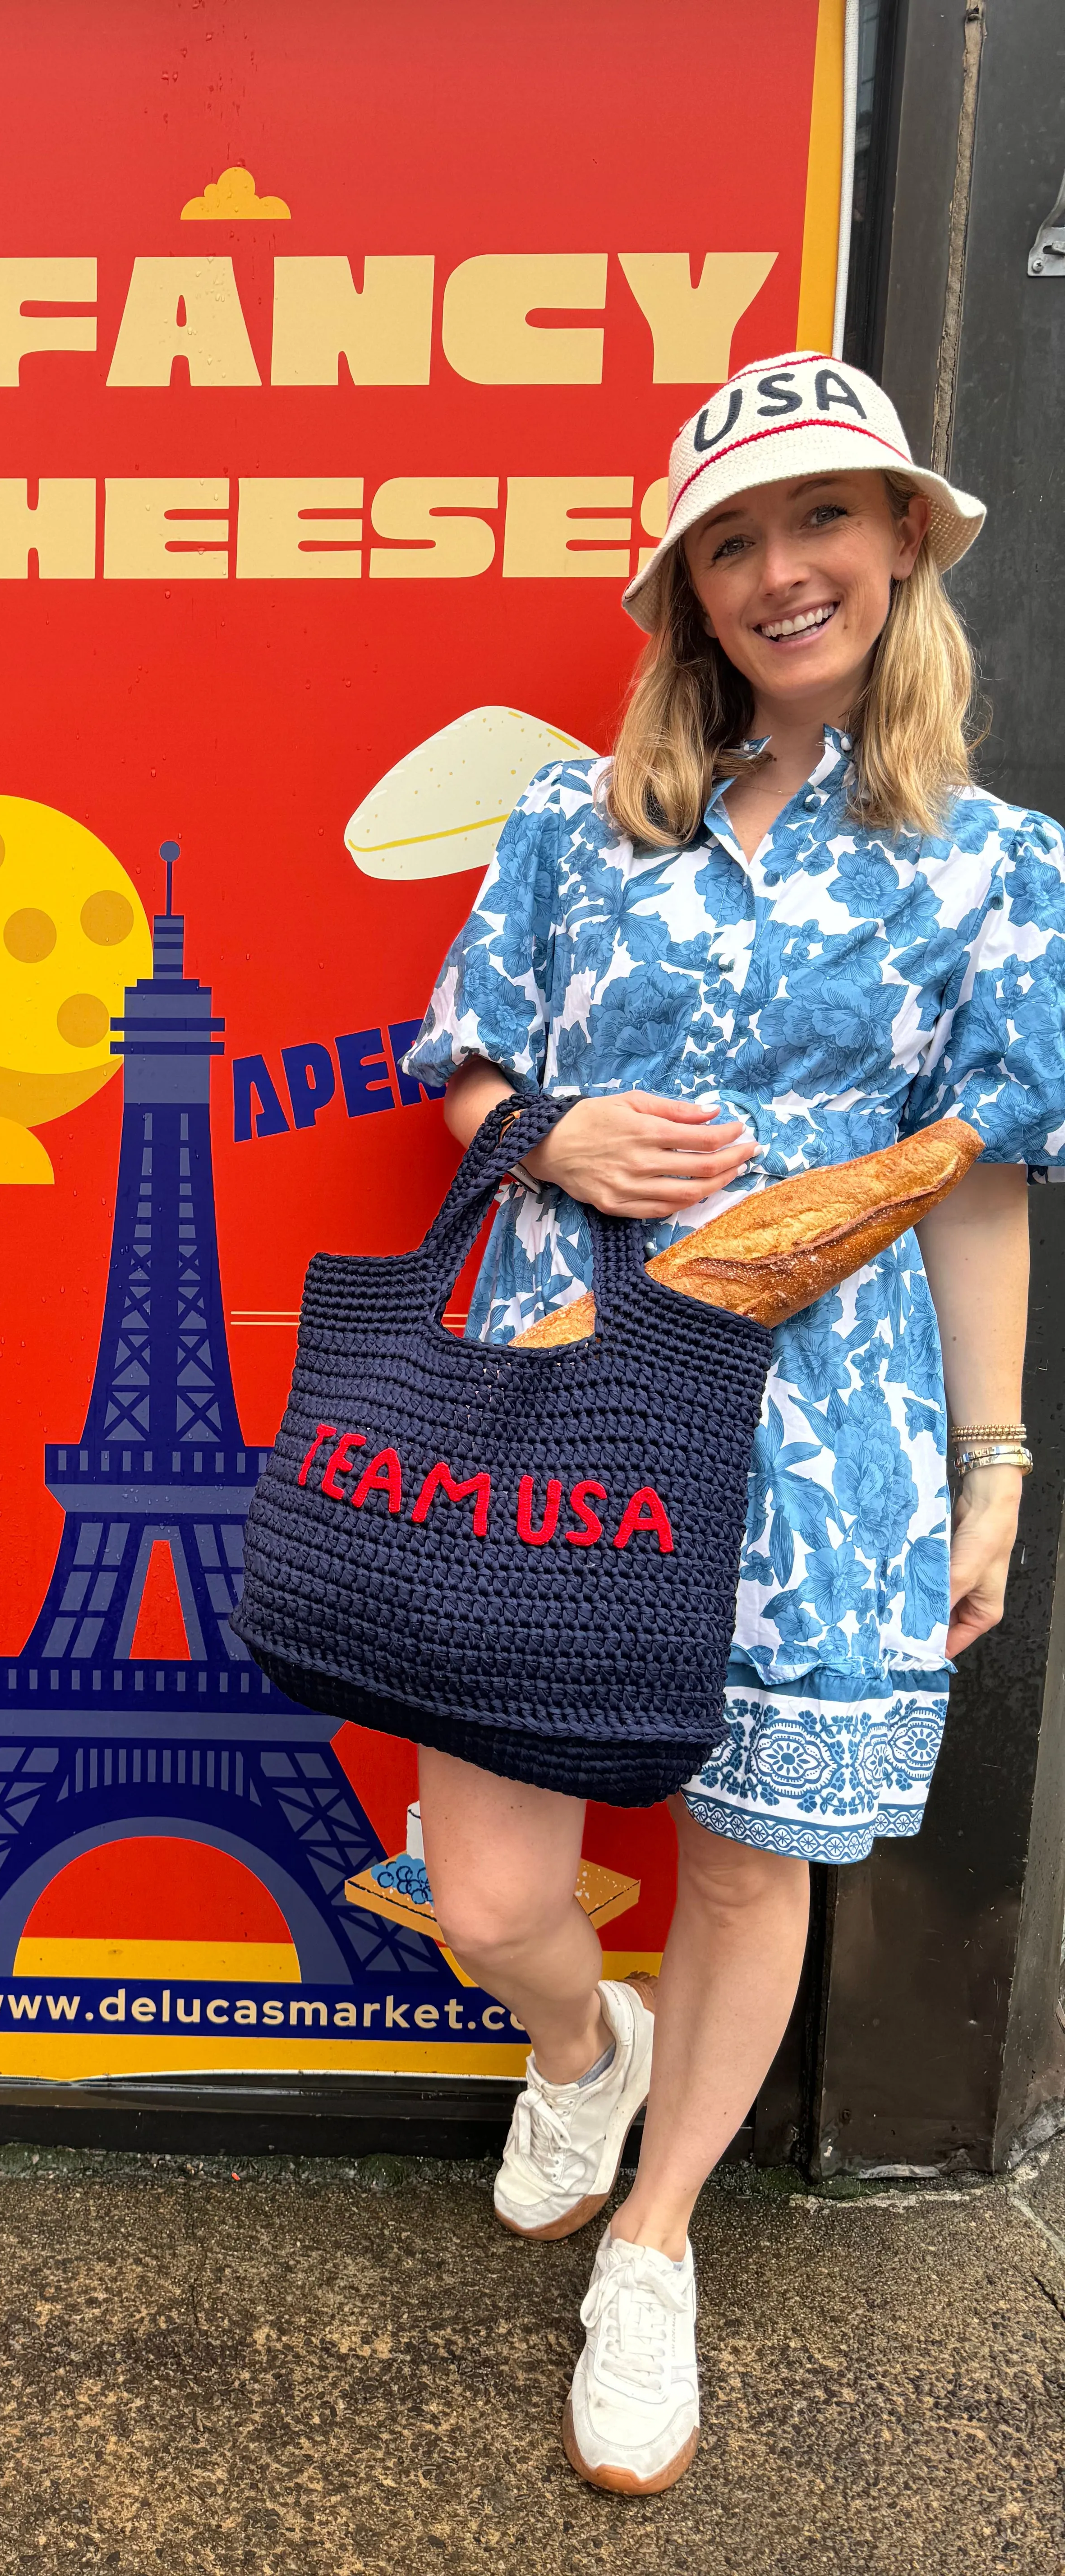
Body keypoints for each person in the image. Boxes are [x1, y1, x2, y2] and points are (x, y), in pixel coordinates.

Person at [402, 352, 1065, 2496]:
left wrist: (994, 1470)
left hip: (829, 1428)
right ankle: (587, 2052)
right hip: (561, 1390)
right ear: (689, 586)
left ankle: (660, 2246)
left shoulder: (994, 869)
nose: (784, 571)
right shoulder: (572, 829)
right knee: (486, 1880)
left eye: (824, 525)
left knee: (749, 1866)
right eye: (736, 541)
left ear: (902, 551)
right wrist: (558, 1133)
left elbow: (975, 1181)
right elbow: (469, 1066)